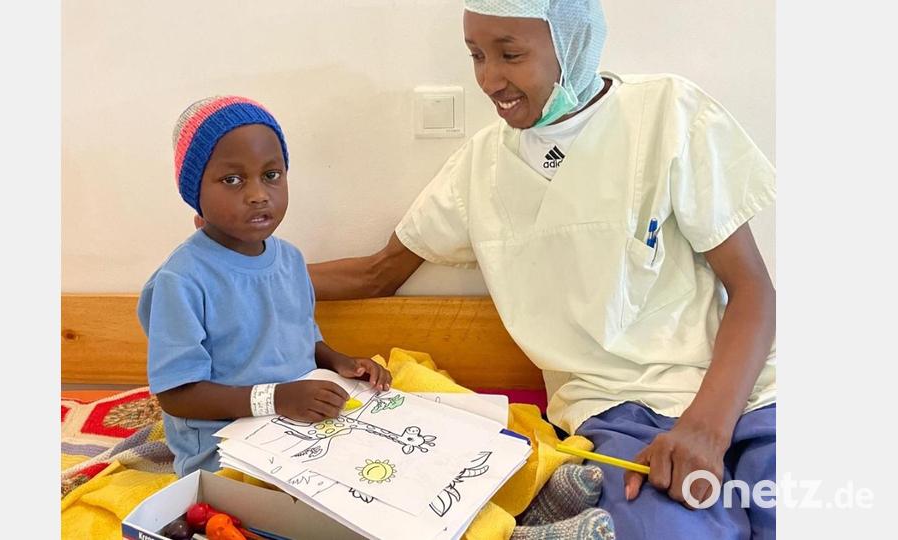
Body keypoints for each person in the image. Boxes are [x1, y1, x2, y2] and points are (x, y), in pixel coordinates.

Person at [308, 1, 777, 538]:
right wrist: (239, 263)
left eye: (510, 54)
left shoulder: (666, 115)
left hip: (751, 393)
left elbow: (753, 290)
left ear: (571, 44)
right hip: (618, 412)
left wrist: (707, 428)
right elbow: (378, 274)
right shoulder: (479, 169)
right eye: (476, 56)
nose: (489, 79)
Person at [138, 96, 391, 477]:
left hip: (297, 426)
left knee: (387, 464)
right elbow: (177, 395)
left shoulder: (289, 259)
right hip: (224, 449)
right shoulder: (182, 280)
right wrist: (276, 399)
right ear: (196, 192)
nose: (258, 194)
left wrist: (340, 362)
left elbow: (299, 338)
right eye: (232, 180)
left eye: (271, 175)